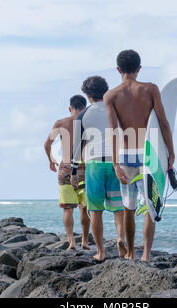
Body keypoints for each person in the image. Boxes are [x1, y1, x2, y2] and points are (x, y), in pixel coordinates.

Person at [104, 50, 175, 263]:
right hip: (149, 154)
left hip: (125, 156)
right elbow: (163, 123)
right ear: (139, 68)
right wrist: (170, 152)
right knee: (150, 206)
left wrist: (115, 163)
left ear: (118, 69)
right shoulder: (150, 89)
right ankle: (146, 255)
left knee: (128, 207)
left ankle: (131, 252)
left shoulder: (111, 96)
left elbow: (113, 131)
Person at [70, 76, 127, 261]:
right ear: (106, 91)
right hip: (116, 162)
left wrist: (73, 171)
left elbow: (77, 147)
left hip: (94, 163)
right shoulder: (116, 109)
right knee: (119, 208)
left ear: (87, 95)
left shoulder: (82, 115)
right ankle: (121, 238)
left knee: (95, 210)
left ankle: (101, 252)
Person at [44, 95, 90, 250]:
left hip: (65, 168)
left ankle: (71, 241)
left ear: (70, 108)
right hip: (84, 169)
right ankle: (85, 241)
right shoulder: (88, 123)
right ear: (85, 107)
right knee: (85, 207)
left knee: (68, 208)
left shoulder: (61, 123)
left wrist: (51, 159)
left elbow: (47, 144)